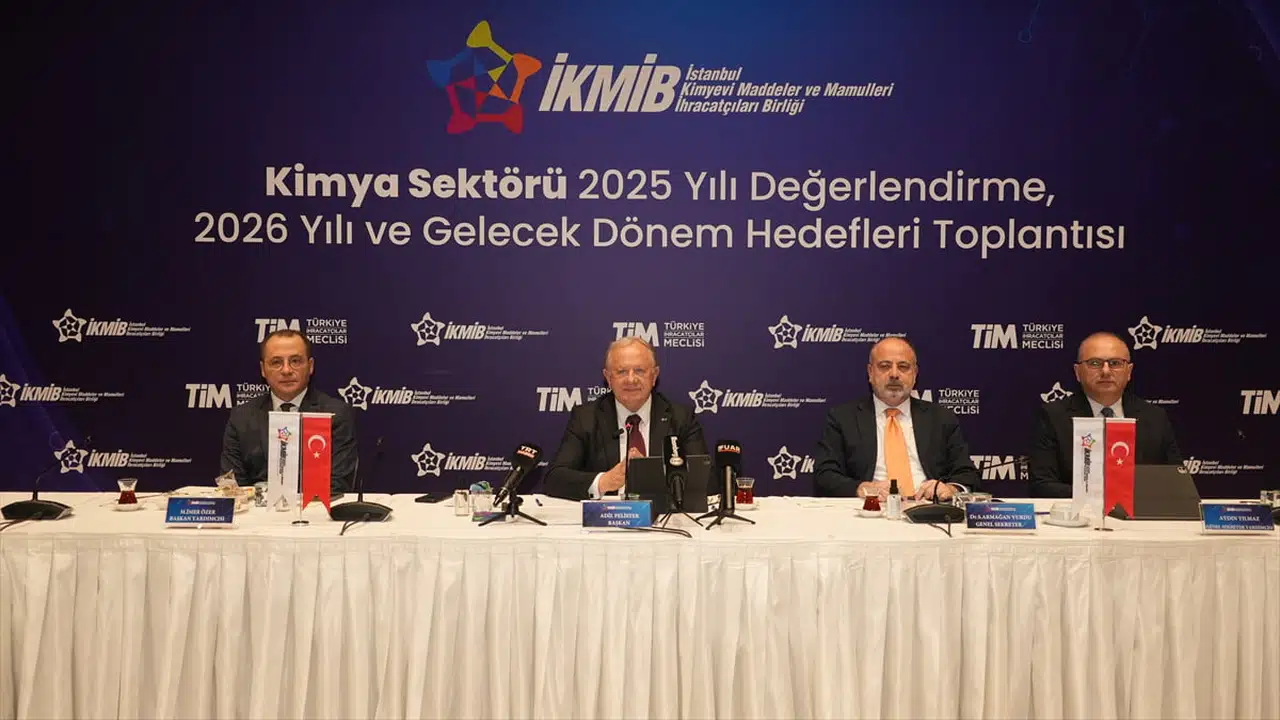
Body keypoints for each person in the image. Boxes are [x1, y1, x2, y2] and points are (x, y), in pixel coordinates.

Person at [814, 336, 980, 499]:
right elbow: (824, 475)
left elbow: (968, 474)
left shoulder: (941, 418)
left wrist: (950, 489)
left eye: (903, 367)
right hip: (871, 508)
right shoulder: (843, 418)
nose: (894, 374)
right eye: (884, 366)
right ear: (870, 373)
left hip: (928, 506)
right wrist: (862, 488)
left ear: (915, 374)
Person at [544, 337, 707, 500]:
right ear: (608, 378)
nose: (631, 379)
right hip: (607, 514)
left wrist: (653, 476)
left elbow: (707, 480)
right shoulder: (586, 418)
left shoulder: (681, 418)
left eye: (639, 371)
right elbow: (554, 479)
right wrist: (604, 481)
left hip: (663, 513)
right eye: (622, 372)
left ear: (654, 375)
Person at [1028, 331, 1182, 497]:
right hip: (1079, 512)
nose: (1106, 371)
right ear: (1077, 372)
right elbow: (1042, 485)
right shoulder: (1054, 417)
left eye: (1115, 363)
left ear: (1129, 371)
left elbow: (1176, 482)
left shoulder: (1154, 417)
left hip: (1141, 512)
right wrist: (1103, 495)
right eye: (1095, 363)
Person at [220, 329, 358, 493]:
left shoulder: (335, 415)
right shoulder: (241, 417)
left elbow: (338, 483)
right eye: (276, 362)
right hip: (257, 508)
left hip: (314, 508)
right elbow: (233, 486)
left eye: (295, 361)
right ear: (263, 369)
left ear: (310, 366)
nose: (286, 370)